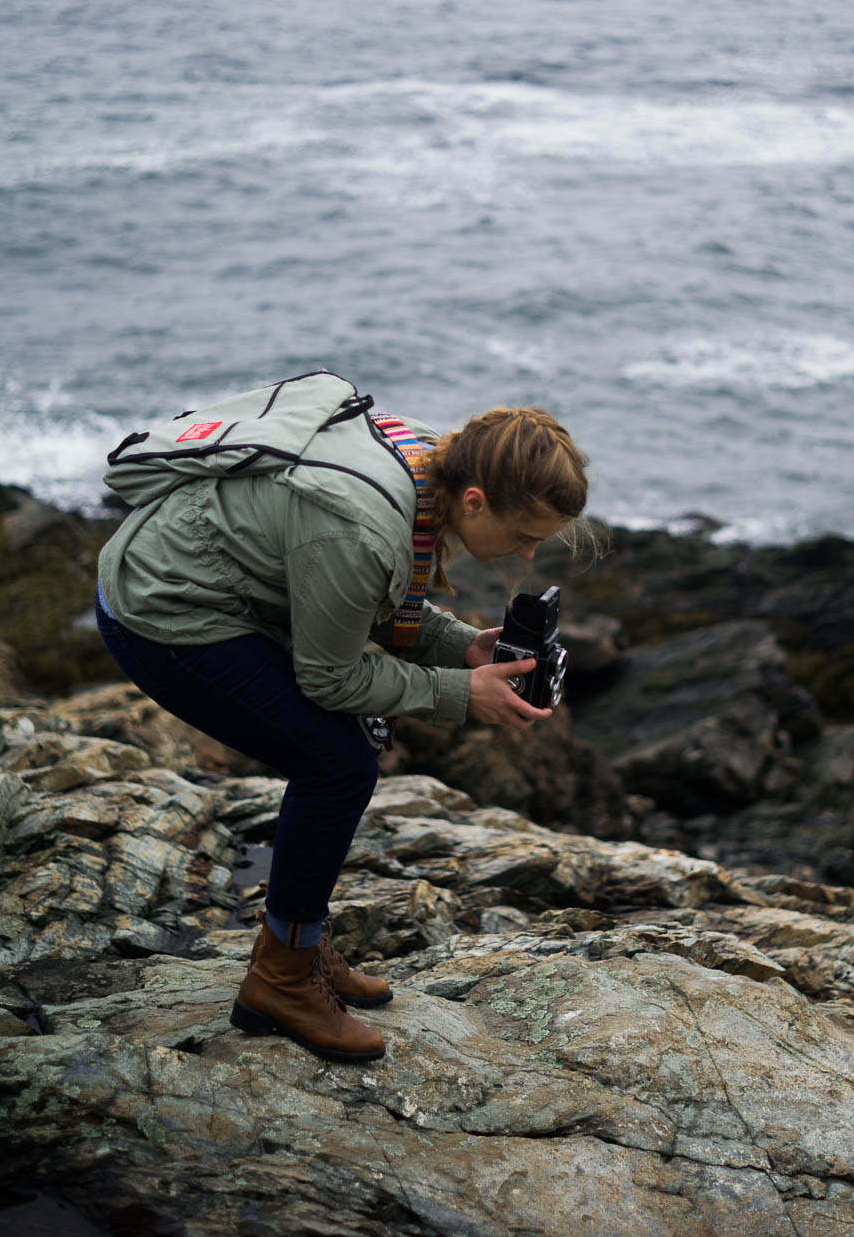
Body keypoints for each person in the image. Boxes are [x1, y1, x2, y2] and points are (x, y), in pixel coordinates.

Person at [95, 369, 589, 1063]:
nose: (530, 553)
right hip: (163, 608)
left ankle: (296, 944)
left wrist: (460, 645)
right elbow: (330, 675)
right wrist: (460, 692)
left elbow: (372, 603)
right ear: (475, 501)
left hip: (212, 580)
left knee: (339, 755)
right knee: (335, 762)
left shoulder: (428, 459)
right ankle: (281, 979)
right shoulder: (365, 526)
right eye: (527, 533)